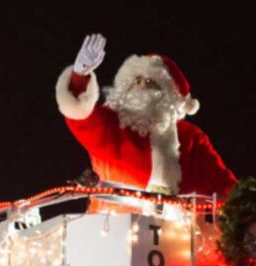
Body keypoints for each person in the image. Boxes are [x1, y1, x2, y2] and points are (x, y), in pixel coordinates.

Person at [55, 34, 237, 199]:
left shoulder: (190, 138)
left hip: (178, 231)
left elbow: (224, 185)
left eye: (150, 83)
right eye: (135, 82)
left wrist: (253, 205)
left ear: (171, 97)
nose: (140, 88)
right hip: (111, 226)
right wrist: (79, 76)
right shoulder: (112, 123)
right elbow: (81, 117)